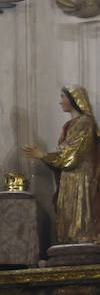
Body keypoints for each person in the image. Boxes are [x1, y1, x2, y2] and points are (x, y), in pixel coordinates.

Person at [23, 86, 100, 245]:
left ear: (74, 99)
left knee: (80, 216)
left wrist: (44, 155)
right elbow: (64, 152)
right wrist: (46, 156)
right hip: (69, 179)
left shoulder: (85, 123)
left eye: (63, 97)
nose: (60, 101)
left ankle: (82, 242)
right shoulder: (72, 125)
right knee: (68, 217)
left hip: (82, 179)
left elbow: (71, 153)